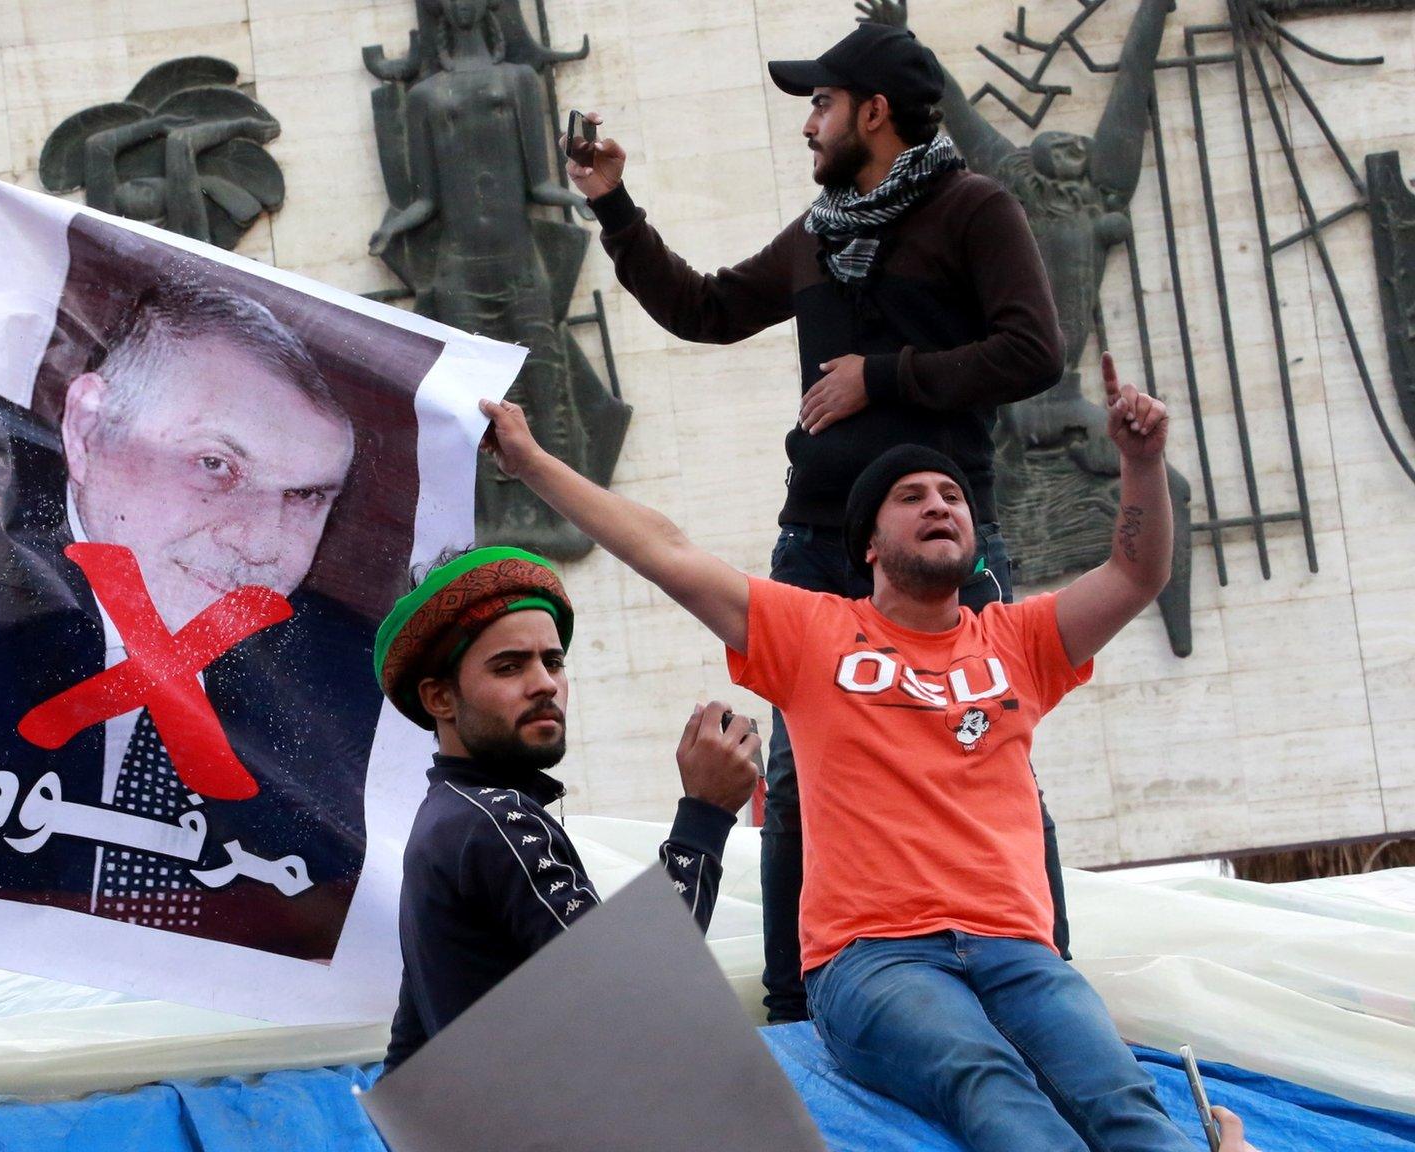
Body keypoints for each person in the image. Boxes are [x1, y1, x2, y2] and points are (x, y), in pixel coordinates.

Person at [477, 358, 1258, 1151]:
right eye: (912, 497)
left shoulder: (1020, 641)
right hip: (876, 961)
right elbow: (665, 549)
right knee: (988, 1083)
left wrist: (1142, 459)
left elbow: (1136, 570)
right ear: (871, 546)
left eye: (952, 495)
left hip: (1018, 950)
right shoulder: (813, 632)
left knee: (1122, 1100)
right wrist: (532, 460)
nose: (940, 505)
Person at [564, 20, 1070, 1022]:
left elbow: (1032, 351)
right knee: (796, 781)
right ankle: (800, 999)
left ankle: (1042, 967)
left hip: (937, 552)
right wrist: (611, 204)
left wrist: (883, 377)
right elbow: (704, 309)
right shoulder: (819, 230)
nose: (808, 124)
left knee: (984, 753)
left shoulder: (972, 210)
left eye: (820, 104)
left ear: (872, 112)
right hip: (817, 542)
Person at [0, 277, 382, 962]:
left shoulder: (363, 688)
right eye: (215, 466)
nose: (261, 541)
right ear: (88, 429)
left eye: (304, 497)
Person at [375, 546, 759, 1071]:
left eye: (553, 662)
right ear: (440, 699)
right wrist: (706, 814)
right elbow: (638, 1002)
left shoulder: (447, 818)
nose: (545, 684)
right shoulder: (494, 822)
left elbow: (414, 1042)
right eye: (509, 666)